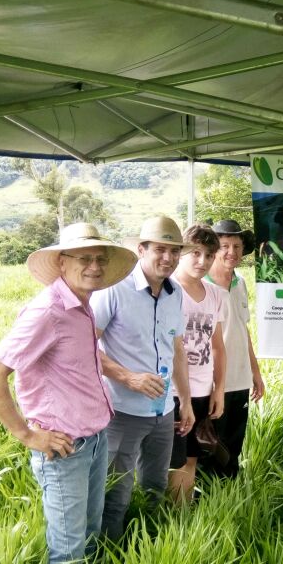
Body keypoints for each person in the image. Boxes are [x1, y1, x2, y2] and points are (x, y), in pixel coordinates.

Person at [0, 223, 136, 564]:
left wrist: (125, 376)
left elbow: (87, 360)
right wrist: (28, 435)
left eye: (100, 259)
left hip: (94, 438)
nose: (94, 266)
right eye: (84, 258)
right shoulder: (47, 310)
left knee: (90, 533)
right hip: (63, 449)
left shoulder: (81, 308)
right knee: (67, 549)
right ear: (62, 262)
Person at [92, 215, 194, 542]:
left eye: (174, 251)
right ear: (141, 249)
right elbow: (84, 345)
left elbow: (176, 348)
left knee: (155, 486)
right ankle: (110, 563)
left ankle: (150, 551)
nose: (168, 258)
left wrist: (186, 401)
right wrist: (128, 378)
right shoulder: (114, 290)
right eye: (160, 249)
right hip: (121, 412)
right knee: (116, 496)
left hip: (162, 411)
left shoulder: (174, 293)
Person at [168, 224, 228, 504]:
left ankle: (183, 513)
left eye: (209, 255)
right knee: (173, 459)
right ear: (181, 252)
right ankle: (169, 516)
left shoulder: (215, 295)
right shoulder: (168, 290)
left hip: (203, 389)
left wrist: (219, 389)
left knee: (192, 456)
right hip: (171, 391)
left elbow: (217, 346)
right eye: (195, 253)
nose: (202, 261)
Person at [204, 219, 265, 477]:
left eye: (237, 246)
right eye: (225, 245)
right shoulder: (201, 286)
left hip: (240, 378)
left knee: (234, 441)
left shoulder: (240, 283)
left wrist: (256, 372)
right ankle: (204, 497)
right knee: (208, 442)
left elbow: (243, 330)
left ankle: (229, 493)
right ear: (214, 249)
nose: (231, 252)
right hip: (210, 381)